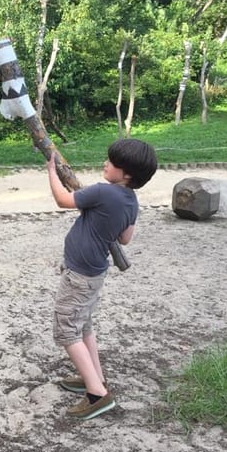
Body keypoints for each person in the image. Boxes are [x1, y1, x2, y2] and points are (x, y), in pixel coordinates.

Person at [46, 138, 157, 420]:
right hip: (94, 274)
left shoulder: (103, 193)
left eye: (112, 162)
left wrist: (51, 171)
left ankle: (97, 394)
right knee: (84, 326)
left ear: (127, 173)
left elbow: (63, 200)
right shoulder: (131, 201)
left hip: (79, 275)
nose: (105, 163)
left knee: (67, 330)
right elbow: (125, 238)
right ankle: (94, 377)